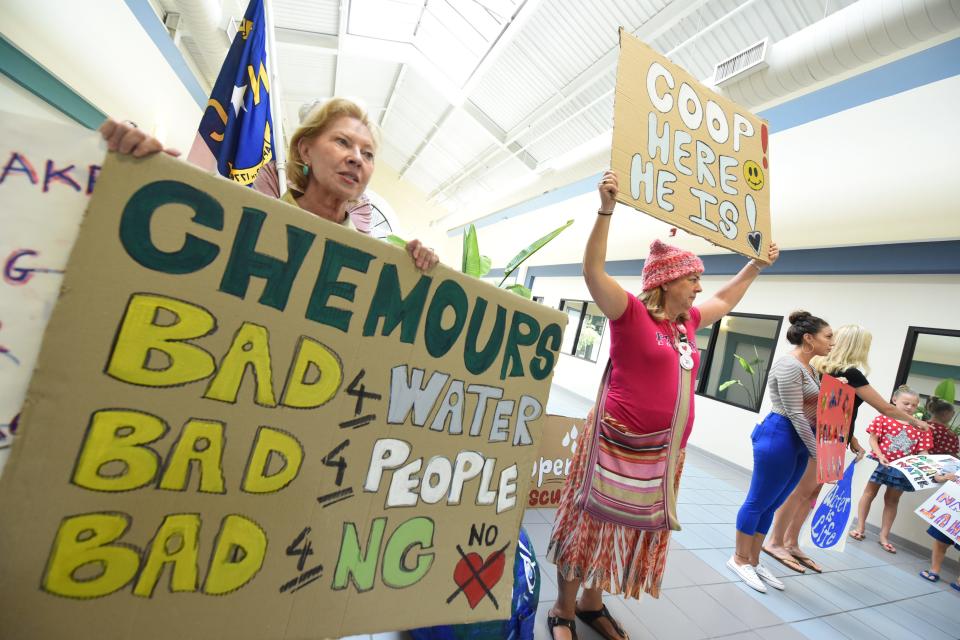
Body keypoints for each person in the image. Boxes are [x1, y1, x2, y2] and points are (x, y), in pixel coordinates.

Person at [545, 170, 779, 640]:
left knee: (626, 532)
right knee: (589, 526)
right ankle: (563, 611)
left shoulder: (687, 323)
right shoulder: (628, 313)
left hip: (662, 455)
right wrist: (606, 210)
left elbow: (724, 300)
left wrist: (753, 266)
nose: (697, 287)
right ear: (668, 281)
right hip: (614, 446)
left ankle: (593, 604)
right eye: (691, 278)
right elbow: (593, 273)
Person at [97, 98, 438, 272]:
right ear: (305, 149)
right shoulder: (240, 217)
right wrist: (135, 168)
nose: (357, 159)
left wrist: (418, 268)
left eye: (368, 154)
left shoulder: (370, 259)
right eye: (342, 143)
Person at [761, 324, 931, 574]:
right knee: (802, 492)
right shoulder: (851, 373)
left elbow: (838, 410)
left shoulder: (821, 367)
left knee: (810, 494)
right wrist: (917, 422)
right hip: (823, 440)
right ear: (860, 346)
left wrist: (851, 440)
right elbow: (885, 408)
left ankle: (791, 542)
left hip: (829, 438)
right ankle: (775, 542)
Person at [730, 311, 833, 593]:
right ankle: (739, 559)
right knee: (757, 501)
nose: (832, 343)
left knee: (773, 504)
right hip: (780, 434)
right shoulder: (789, 365)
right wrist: (819, 455)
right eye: (828, 337)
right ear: (809, 339)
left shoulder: (810, 368)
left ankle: (753, 558)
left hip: (798, 439)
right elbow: (796, 415)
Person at [849, 385, 932, 552]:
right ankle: (860, 527)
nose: (910, 407)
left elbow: (923, 451)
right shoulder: (883, 419)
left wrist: (929, 464)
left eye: (914, 405)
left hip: (901, 469)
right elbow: (873, 440)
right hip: (879, 462)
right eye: (906, 403)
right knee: (869, 493)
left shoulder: (920, 427)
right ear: (895, 400)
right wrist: (880, 455)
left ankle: (884, 536)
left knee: (892, 501)